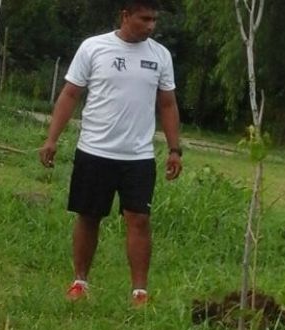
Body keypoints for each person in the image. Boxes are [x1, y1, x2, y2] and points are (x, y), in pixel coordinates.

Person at [38, 0, 182, 307]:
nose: (151, 26)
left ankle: (140, 292)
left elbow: (167, 104)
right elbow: (70, 94)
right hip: (94, 151)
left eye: (154, 20)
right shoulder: (93, 48)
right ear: (125, 16)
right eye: (145, 19)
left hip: (139, 157)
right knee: (89, 216)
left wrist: (174, 149)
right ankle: (80, 282)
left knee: (139, 219)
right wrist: (52, 139)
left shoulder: (160, 56)